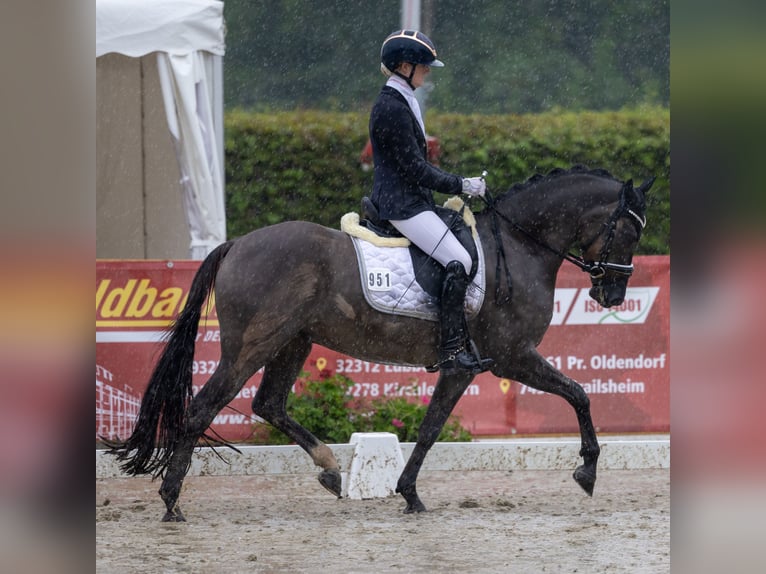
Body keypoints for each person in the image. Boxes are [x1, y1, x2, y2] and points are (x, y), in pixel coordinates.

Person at [368, 29, 493, 375]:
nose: (428, 72)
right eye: (424, 66)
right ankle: (451, 350)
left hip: (411, 199)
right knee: (458, 259)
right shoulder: (391, 107)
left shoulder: (402, 99)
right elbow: (415, 169)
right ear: (405, 66)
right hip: (402, 205)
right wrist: (461, 184)